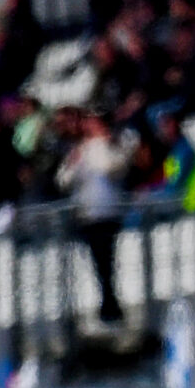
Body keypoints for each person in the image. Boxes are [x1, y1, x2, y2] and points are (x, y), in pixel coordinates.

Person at [58, 111, 130, 322]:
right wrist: (74, 163)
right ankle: (108, 304)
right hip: (88, 214)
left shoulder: (112, 146)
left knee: (108, 259)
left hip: (108, 211)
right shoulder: (80, 150)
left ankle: (111, 304)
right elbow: (64, 180)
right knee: (99, 261)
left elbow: (112, 168)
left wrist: (102, 145)